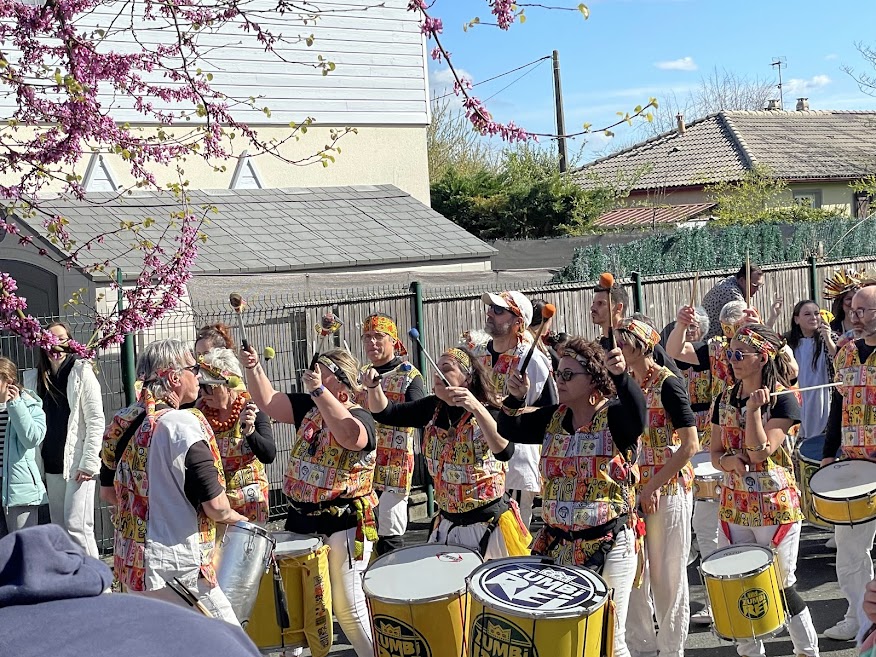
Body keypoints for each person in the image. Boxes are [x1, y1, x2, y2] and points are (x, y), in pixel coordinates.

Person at [500, 338, 644, 657]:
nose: (559, 381)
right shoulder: (552, 418)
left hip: (609, 542)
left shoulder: (615, 418)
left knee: (609, 636)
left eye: (568, 375)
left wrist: (621, 376)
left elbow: (639, 416)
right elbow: (508, 426)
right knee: (568, 635)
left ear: (593, 378)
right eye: (557, 374)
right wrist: (514, 396)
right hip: (560, 544)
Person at [242, 347, 377, 657]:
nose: (313, 376)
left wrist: (318, 391)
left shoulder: (360, 415)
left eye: (323, 373)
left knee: (348, 608)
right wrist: (254, 368)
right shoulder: (309, 407)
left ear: (341, 382)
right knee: (298, 607)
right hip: (302, 518)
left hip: (342, 521)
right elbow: (268, 401)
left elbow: (350, 437)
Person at [114, 339, 246, 624]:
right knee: (230, 642)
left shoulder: (124, 421)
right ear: (174, 378)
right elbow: (216, 506)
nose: (198, 376)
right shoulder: (181, 424)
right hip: (178, 568)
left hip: (133, 564)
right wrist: (242, 522)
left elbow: (108, 493)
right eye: (193, 369)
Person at [711, 323, 819, 657]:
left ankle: (807, 650)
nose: (733, 360)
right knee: (738, 583)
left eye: (741, 354)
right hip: (735, 505)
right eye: (730, 354)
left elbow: (760, 452)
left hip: (775, 507)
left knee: (783, 583)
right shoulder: (723, 398)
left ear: (763, 357)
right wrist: (727, 463)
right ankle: (750, 651)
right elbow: (715, 454)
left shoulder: (783, 399)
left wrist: (755, 411)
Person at [365, 346, 529, 559]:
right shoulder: (432, 408)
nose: (437, 373)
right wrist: (373, 387)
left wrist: (476, 408)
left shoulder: (489, 410)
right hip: (447, 522)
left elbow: (504, 451)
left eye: (446, 368)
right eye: (436, 369)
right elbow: (386, 413)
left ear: (467, 378)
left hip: (488, 523)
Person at [0, 525, 261, 657]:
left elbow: (108, 492)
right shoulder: (220, 636)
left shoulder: (124, 429)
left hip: (140, 559)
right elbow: (214, 503)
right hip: (186, 560)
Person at [616, 318, 698, 657]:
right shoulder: (622, 384)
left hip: (668, 489)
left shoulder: (668, 384)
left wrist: (651, 487)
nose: (618, 347)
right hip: (635, 492)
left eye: (625, 340)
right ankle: (643, 649)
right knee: (632, 576)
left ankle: (670, 651)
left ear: (644, 345)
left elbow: (690, 445)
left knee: (668, 579)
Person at [469, 290, 557, 530]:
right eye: (490, 308)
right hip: (479, 466)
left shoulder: (532, 360)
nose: (490, 313)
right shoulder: (477, 356)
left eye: (499, 310)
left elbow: (551, 412)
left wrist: (514, 404)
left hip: (515, 466)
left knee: (513, 541)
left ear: (518, 322)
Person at [822, 284, 876, 642]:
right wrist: (828, 454)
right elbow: (838, 406)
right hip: (854, 464)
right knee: (850, 549)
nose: (853, 317)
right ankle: (859, 617)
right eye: (851, 310)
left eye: (862, 310)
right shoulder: (846, 353)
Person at [358, 313, 425, 556]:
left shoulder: (409, 374)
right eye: (367, 337)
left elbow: (417, 414)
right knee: (364, 533)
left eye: (378, 337)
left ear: (394, 340)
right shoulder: (362, 373)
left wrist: (385, 409)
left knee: (390, 532)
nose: (372, 343)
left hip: (394, 466)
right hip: (363, 464)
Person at [36, 321, 104, 557]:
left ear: (70, 342)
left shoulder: (81, 371)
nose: (56, 345)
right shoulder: (38, 378)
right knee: (60, 530)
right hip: (52, 464)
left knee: (77, 526)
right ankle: (73, 585)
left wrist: (88, 462)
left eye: (62, 340)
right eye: (51, 340)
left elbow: (96, 419)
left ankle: (98, 586)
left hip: (77, 464)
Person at [197, 348, 275, 525]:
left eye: (208, 387)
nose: (203, 393)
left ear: (228, 386)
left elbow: (268, 454)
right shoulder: (200, 410)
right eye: (201, 387)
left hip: (250, 500)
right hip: (217, 501)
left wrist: (250, 432)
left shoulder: (251, 408)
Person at [591, 279, 681, 376]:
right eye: (593, 303)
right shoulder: (598, 347)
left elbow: (675, 381)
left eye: (600, 303)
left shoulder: (639, 339)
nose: (593, 308)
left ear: (618, 308)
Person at [0, 357, 47, 534]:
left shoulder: (30, 406)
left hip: (18, 488)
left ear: (8, 381)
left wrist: (16, 405)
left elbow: (32, 439)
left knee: (21, 549)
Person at [785, 300, 836, 441]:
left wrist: (827, 338)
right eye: (807, 314)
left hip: (823, 394)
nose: (813, 317)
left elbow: (838, 360)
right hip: (798, 394)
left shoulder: (831, 337)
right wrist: (772, 317)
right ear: (796, 319)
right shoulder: (788, 342)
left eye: (816, 313)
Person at [702, 263, 764, 339]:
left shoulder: (730, 281)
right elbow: (748, 326)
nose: (757, 290)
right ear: (742, 280)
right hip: (711, 342)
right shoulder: (732, 293)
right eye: (754, 285)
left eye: (759, 285)